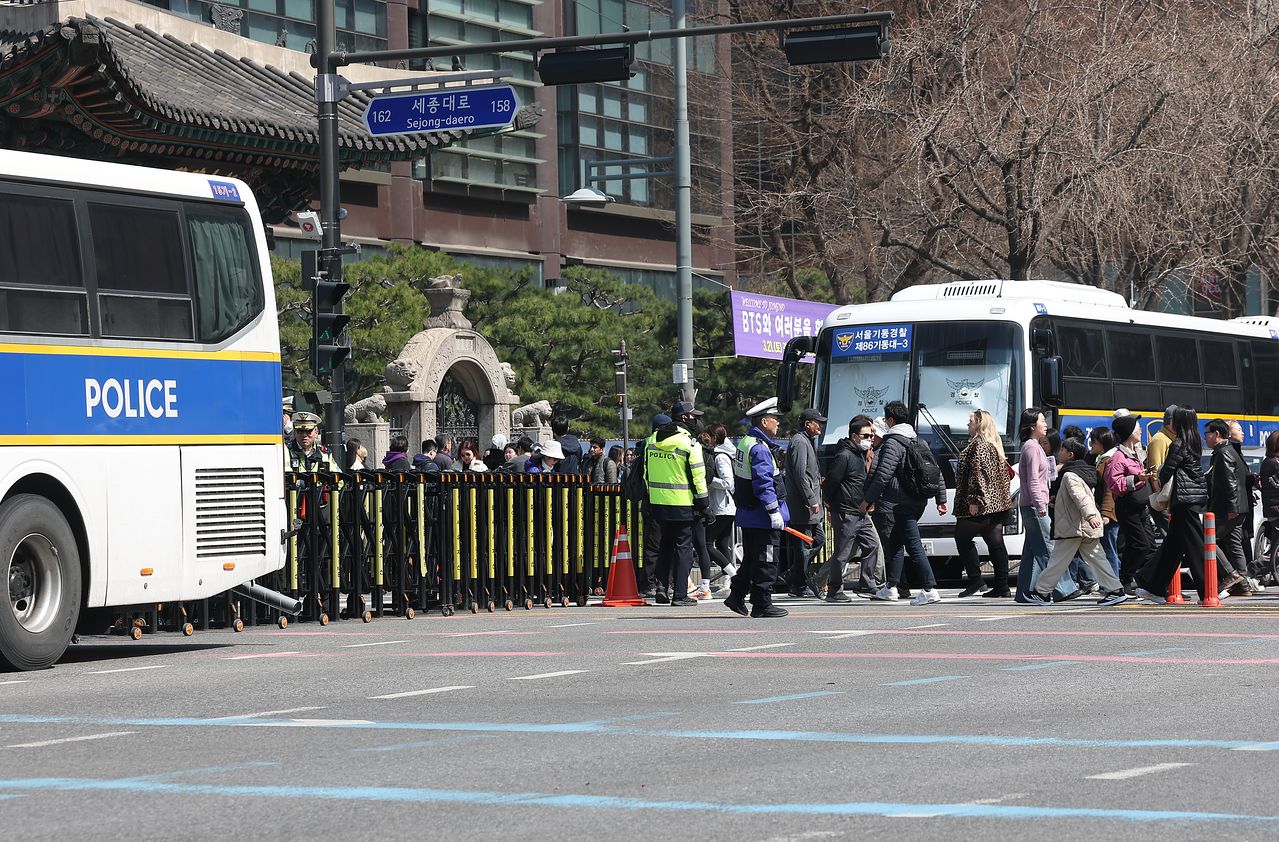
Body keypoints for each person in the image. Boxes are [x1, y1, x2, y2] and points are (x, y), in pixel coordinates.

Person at [1133, 407, 1235, 603]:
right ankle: (1152, 586)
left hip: (1184, 499)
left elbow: (1167, 469)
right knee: (1172, 547)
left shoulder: (1178, 443)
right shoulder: (1194, 441)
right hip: (1192, 498)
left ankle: (1210, 589)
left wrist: (1159, 482)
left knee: (1195, 546)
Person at [861, 400, 947, 606]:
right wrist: (941, 499)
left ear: (890, 420)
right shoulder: (919, 440)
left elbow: (883, 474)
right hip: (919, 501)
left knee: (913, 544)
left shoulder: (893, 442)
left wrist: (867, 499)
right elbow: (936, 471)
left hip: (901, 503)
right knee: (897, 542)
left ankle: (929, 588)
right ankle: (891, 587)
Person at [1026, 438, 1128, 606]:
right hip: (1082, 526)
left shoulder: (1069, 475)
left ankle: (1042, 592)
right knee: (1097, 559)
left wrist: (1090, 516)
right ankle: (1115, 590)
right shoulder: (1083, 472)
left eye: (1062, 450)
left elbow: (1081, 498)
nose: (1059, 453)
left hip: (1074, 527)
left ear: (1070, 455)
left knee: (1057, 561)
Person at [725, 397, 790, 618]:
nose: (778, 423)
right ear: (764, 422)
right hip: (763, 516)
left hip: (749, 514)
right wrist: (774, 511)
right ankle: (762, 603)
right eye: (775, 419)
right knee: (767, 559)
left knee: (752, 559)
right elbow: (764, 484)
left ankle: (736, 595)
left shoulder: (746, 443)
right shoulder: (760, 449)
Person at [645, 410, 709, 607]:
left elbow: (645, 472)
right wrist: (704, 504)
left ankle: (661, 588)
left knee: (665, 545)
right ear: (684, 418)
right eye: (693, 416)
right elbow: (698, 477)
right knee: (683, 548)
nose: (696, 420)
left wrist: (653, 495)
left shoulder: (652, 440)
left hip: (658, 502)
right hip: (682, 503)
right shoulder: (689, 443)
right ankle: (680, 593)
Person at [1014, 407, 1077, 603]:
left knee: (1032, 551)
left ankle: (1025, 592)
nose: (1045, 424)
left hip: (1031, 504)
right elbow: (1033, 480)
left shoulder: (1032, 446)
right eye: (1042, 421)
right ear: (1033, 425)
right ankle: (1064, 588)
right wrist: (1041, 504)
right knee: (1048, 548)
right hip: (1035, 506)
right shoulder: (1032, 448)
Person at [953, 409, 1013, 598]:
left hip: (980, 504)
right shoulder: (994, 445)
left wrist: (975, 499)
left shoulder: (979, 446)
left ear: (979, 423)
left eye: (970, 421)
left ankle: (976, 579)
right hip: (996, 504)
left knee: (962, 539)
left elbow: (977, 474)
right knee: (995, 542)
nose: (967, 424)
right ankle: (1002, 586)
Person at [823, 414, 880, 601]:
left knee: (872, 545)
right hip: (846, 511)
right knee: (842, 553)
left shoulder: (860, 454)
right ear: (854, 436)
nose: (870, 439)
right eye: (866, 436)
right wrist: (830, 504)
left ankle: (867, 583)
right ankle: (834, 590)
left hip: (860, 511)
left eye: (871, 436)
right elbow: (832, 482)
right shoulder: (845, 455)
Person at [1103, 413, 1155, 591]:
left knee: (1149, 545)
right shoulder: (1118, 456)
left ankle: (1145, 581)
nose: (1140, 429)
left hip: (1140, 505)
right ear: (1128, 432)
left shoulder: (1136, 453)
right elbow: (1114, 484)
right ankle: (1125, 581)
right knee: (1140, 544)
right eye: (1136, 427)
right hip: (1127, 506)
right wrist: (1137, 478)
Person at [784, 407, 827, 598]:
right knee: (803, 545)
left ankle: (793, 574)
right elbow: (801, 474)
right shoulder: (800, 442)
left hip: (809, 504)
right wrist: (811, 499)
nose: (821, 425)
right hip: (803, 504)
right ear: (807, 424)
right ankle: (798, 584)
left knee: (818, 540)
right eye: (818, 422)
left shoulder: (806, 440)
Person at [1206, 419, 1249, 594]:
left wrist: (1232, 508)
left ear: (1217, 434)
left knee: (1206, 539)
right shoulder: (1230, 450)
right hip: (1238, 507)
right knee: (1234, 544)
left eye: (1207, 434)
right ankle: (1244, 585)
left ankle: (1230, 574)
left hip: (1228, 508)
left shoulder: (1223, 453)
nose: (1205, 438)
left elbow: (1230, 482)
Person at [706, 422, 739, 592]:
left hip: (722, 507)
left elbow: (728, 482)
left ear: (714, 438)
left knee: (707, 544)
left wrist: (709, 480)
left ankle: (733, 575)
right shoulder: (723, 453)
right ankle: (729, 581)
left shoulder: (720, 457)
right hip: (725, 506)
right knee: (722, 544)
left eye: (708, 436)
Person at [1089, 427, 1121, 579]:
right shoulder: (1102, 458)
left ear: (1102, 443)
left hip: (1109, 514)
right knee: (1108, 548)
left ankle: (1113, 583)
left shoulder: (1109, 460)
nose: (1091, 445)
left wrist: (1106, 513)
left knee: (1109, 550)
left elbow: (1109, 489)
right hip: (1106, 512)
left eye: (1093, 442)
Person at [1261, 430, 1279, 583]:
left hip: (1274, 510)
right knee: (1275, 550)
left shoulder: (1271, 462)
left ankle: (1252, 570)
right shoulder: (1272, 463)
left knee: (1275, 548)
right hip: (1276, 510)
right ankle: (1252, 570)